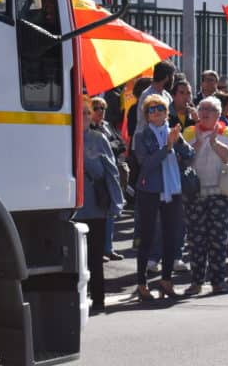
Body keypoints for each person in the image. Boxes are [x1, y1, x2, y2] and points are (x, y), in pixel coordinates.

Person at [132, 95, 194, 301]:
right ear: (147, 116)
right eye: (152, 109)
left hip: (173, 189)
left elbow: (190, 155)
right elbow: (146, 165)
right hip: (150, 191)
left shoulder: (173, 132)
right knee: (148, 237)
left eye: (160, 108)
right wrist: (167, 148)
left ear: (167, 112)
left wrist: (179, 147)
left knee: (171, 236)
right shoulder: (142, 136)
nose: (157, 112)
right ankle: (141, 283)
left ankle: (166, 280)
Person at [181, 98, 228, 295]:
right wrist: (197, 143)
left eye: (210, 110)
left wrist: (215, 143)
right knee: (196, 241)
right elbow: (181, 160)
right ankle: (196, 282)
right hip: (195, 194)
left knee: (218, 241)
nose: (205, 112)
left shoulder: (226, 132)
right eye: (202, 109)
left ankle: (218, 282)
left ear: (218, 114)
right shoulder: (189, 133)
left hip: (220, 195)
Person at [74, 111, 124, 313]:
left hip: (95, 206)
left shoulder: (98, 138)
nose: (83, 116)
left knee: (95, 257)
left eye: (86, 113)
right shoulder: (65, 135)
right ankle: (77, 298)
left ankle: (98, 298)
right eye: (80, 112)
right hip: (72, 209)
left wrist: (116, 202)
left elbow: (111, 170)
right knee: (75, 259)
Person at [88, 96, 127, 260]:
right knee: (99, 212)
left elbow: (121, 144)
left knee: (111, 213)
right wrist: (110, 147)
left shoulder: (107, 126)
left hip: (112, 172)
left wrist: (109, 146)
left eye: (103, 108)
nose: (100, 111)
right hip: (98, 176)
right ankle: (100, 250)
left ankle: (108, 248)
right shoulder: (89, 129)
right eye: (96, 108)